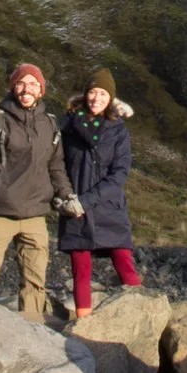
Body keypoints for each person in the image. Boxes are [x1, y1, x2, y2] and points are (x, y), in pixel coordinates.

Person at [0, 62, 75, 320]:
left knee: (35, 281)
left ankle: (32, 330)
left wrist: (68, 197)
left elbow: (56, 167)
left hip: (35, 215)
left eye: (33, 84)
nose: (27, 89)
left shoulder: (50, 125)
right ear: (13, 87)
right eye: (21, 83)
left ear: (41, 90)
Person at [58, 68, 139, 319]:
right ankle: (83, 326)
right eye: (93, 92)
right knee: (80, 272)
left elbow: (120, 173)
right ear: (85, 95)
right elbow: (57, 165)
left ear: (110, 98)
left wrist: (86, 201)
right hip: (75, 210)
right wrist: (63, 196)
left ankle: (143, 316)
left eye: (103, 93)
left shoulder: (118, 130)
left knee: (124, 263)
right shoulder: (68, 125)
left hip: (109, 208)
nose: (96, 98)